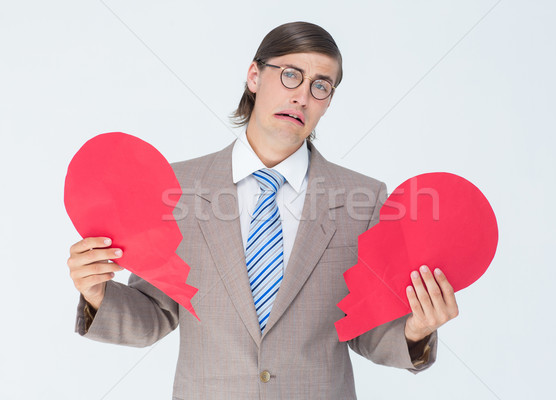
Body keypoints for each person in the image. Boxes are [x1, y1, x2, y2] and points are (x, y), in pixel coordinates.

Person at [67, 21, 459, 399]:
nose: (302, 96)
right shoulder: (178, 189)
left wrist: (416, 328)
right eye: (291, 74)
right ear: (254, 76)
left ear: (328, 101)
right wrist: (97, 293)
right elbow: (156, 313)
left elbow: (364, 329)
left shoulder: (364, 198)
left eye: (320, 86)